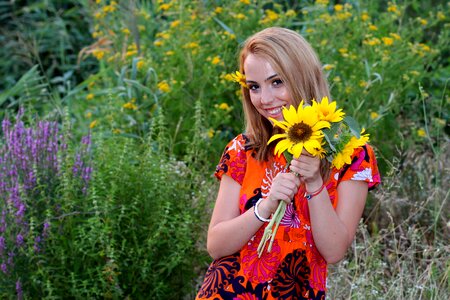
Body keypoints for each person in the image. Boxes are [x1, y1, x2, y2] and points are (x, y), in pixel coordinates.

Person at [196, 27, 380, 299]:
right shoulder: (244, 150)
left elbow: (334, 250)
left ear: (302, 77)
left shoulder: (350, 152)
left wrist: (315, 183)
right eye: (254, 87)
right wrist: (266, 205)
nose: (265, 99)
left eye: (277, 82)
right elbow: (216, 245)